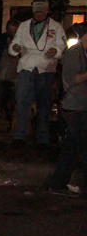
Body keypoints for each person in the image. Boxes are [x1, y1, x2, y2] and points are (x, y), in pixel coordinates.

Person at [8, 0, 67, 147]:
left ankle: (42, 137)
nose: (39, 14)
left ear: (47, 11)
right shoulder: (24, 26)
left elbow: (62, 45)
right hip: (27, 67)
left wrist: (56, 51)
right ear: (33, 12)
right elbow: (15, 43)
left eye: (42, 11)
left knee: (44, 104)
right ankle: (21, 135)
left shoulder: (56, 27)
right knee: (22, 102)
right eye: (37, 11)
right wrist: (15, 48)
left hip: (45, 68)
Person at [46, 22, 87, 193]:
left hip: (81, 104)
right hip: (75, 105)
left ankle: (58, 181)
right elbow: (72, 79)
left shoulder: (83, 53)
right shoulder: (73, 53)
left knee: (72, 147)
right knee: (82, 145)